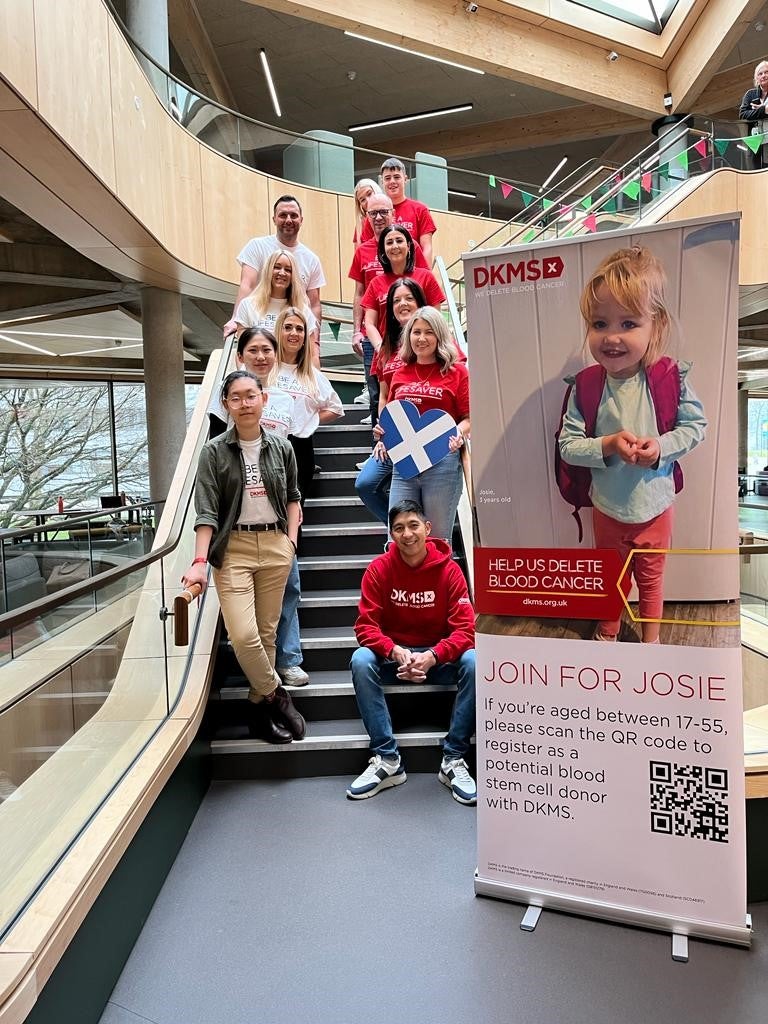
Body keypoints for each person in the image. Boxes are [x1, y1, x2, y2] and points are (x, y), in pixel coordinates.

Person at [557, 246, 707, 644]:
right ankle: (608, 632)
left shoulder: (670, 377)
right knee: (612, 577)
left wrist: (660, 448)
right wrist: (607, 444)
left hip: (655, 505)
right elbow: (568, 446)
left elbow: (696, 426)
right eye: (599, 323)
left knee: (652, 579)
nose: (612, 337)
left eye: (628, 323)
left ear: (655, 326)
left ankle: (651, 641)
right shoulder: (587, 386)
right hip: (607, 507)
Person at [183, 370, 306, 744]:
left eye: (251, 395)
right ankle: (276, 694)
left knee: (267, 634)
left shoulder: (282, 447)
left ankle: (259, 717)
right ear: (226, 405)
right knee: (243, 635)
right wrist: (199, 562)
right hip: (233, 549)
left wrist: (290, 542)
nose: (244, 403)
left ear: (263, 399)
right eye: (235, 398)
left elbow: (293, 498)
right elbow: (206, 512)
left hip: (275, 546)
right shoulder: (213, 452)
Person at [346, 500, 476, 804]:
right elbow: (365, 626)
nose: (407, 534)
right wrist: (394, 652)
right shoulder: (379, 569)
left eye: (413, 525)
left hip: (438, 660)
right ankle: (387, 758)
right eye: (399, 528)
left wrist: (433, 656)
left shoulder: (450, 571)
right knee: (361, 659)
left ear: (427, 528)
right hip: (397, 660)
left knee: (474, 661)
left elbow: (466, 630)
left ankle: (453, 758)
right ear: (391, 534)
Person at [209, 327, 309, 686]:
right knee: (247, 621)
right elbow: (217, 457)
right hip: (238, 526)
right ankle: (266, 681)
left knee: (287, 592)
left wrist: (292, 524)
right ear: (240, 356)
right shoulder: (226, 405)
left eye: (267, 349)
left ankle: (286, 663)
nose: (261, 356)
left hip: (278, 519)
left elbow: (299, 453)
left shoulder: (285, 400)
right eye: (253, 350)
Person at [380, 307, 470, 542]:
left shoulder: (457, 372)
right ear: (408, 335)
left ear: (439, 336)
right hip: (404, 462)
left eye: (429, 332)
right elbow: (392, 415)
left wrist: (457, 433)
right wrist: (382, 435)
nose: (421, 338)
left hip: (442, 461)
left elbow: (470, 418)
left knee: (437, 539)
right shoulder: (400, 373)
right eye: (416, 332)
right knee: (398, 537)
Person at [348, 194, 430, 426]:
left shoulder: (412, 248)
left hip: (414, 340)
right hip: (377, 340)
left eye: (383, 212)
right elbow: (359, 294)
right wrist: (359, 333)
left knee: (413, 392)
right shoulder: (363, 252)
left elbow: (425, 291)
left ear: (394, 214)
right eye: (373, 213)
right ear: (366, 217)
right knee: (377, 396)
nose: (378, 217)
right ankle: (380, 443)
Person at [355, 278, 428, 523]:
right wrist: (383, 436)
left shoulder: (432, 342)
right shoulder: (386, 349)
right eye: (396, 300)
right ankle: (402, 529)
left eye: (409, 298)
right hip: (395, 435)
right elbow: (384, 396)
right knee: (366, 483)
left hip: (426, 433)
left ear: (420, 303)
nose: (402, 304)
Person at [223, 195, 325, 337]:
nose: (288, 220)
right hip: (259, 330)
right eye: (283, 215)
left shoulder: (311, 259)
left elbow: (314, 304)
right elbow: (247, 285)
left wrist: (315, 341)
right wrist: (236, 319)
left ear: (301, 220)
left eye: (293, 215)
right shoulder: (257, 246)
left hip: (293, 335)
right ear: (274, 219)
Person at [272, 307, 344, 508]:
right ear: (278, 332)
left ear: (305, 337)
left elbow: (336, 408)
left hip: (300, 447)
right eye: (288, 327)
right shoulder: (266, 368)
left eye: (299, 329)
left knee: (294, 511)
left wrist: (310, 420)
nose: (294, 333)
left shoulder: (312, 375)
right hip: (267, 443)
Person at [361, 226, 445, 353]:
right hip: (388, 354)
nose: (395, 246)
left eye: (399, 241)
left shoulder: (426, 277)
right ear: (383, 250)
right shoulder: (375, 283)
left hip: (422, 352)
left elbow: (436, 317)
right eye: (389, 242)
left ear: (409, 246)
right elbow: (369, 323)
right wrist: (380, 347)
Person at [233, 248, 319, 357]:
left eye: (288, 270)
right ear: (268, 271)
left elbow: (312, 355)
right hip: (257, 367)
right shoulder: (247, 305)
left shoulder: (303, 310)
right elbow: (242, 352)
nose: (282, 273)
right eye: (277, 267)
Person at [359, 158, 437, 266]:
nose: (392, 181)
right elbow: (366, 249)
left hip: (412, 273)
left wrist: (424, 274)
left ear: (405, 179)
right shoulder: (374, 214)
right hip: (382, 273)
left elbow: (427, 247)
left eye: (396, 177)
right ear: (382, 181)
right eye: (387, 178)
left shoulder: (420, 210)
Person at [739, 61, 768, 170]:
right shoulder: (750, 94)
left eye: (766, 72)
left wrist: (757, 111)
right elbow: (743, 114)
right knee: (756, 170)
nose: (764, 75)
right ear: (756, 78)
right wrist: (764, 110)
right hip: (755, 140)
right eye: (760, 73)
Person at [352, 177, 383, 246]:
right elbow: (357, 251)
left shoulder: (390, 215)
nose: (368, 201)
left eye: (369, 194)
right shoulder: (360, 225)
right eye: (362, 200)